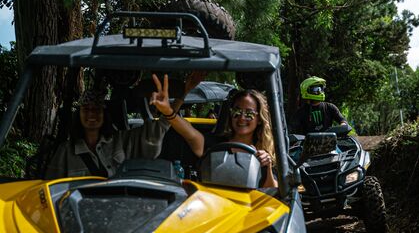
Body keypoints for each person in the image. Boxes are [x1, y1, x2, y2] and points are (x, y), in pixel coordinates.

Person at [45, 72, 204, 179]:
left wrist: (182, 95)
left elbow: (160, 127)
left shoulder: (120, 141)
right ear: (78, 114)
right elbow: (49, 190)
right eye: (86, 109)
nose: (91, 114)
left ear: (104, 114)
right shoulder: (65, 151)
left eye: (96, 109)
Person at [151, 77, 278, 188]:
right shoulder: (215, 145)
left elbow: (272, 192)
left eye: (249, 113)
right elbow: (190, 133)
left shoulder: (265, 152)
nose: (242, 118)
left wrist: (267, 167)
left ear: (259, 119)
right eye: (237, 111)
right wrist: (168, 111)